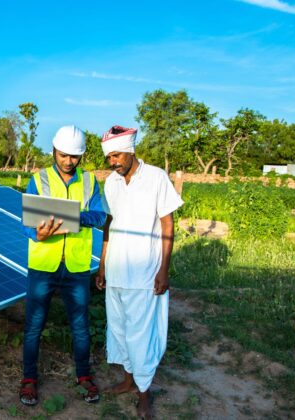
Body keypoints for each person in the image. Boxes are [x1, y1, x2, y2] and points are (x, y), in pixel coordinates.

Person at [95, 125, 183, 419]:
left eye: (117, 156)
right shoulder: (112, 183)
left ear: (131, 151)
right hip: (117, 270)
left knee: (141, 335)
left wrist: (163, 269)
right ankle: (129, 382)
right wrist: (102, 265)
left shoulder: (156, 177)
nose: (113, 162)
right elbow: (109, 224)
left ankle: (144, 393)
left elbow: (168, 225)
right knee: (119, 329)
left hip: (145, 272)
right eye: (109, 157)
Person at [19, 125, 106, 406]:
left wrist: (75, 217)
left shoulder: (91, 182)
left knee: (80, 326)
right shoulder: (38, 179)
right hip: (43, 264)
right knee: (33, 326)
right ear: (54, 151)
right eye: (63, 155)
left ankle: (83, 376)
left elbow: (100, 216)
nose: (69, 161)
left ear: (81, 156)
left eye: (75, 157)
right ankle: (29, 379)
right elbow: (28, 223)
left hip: (77, 267)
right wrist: (38, 234)